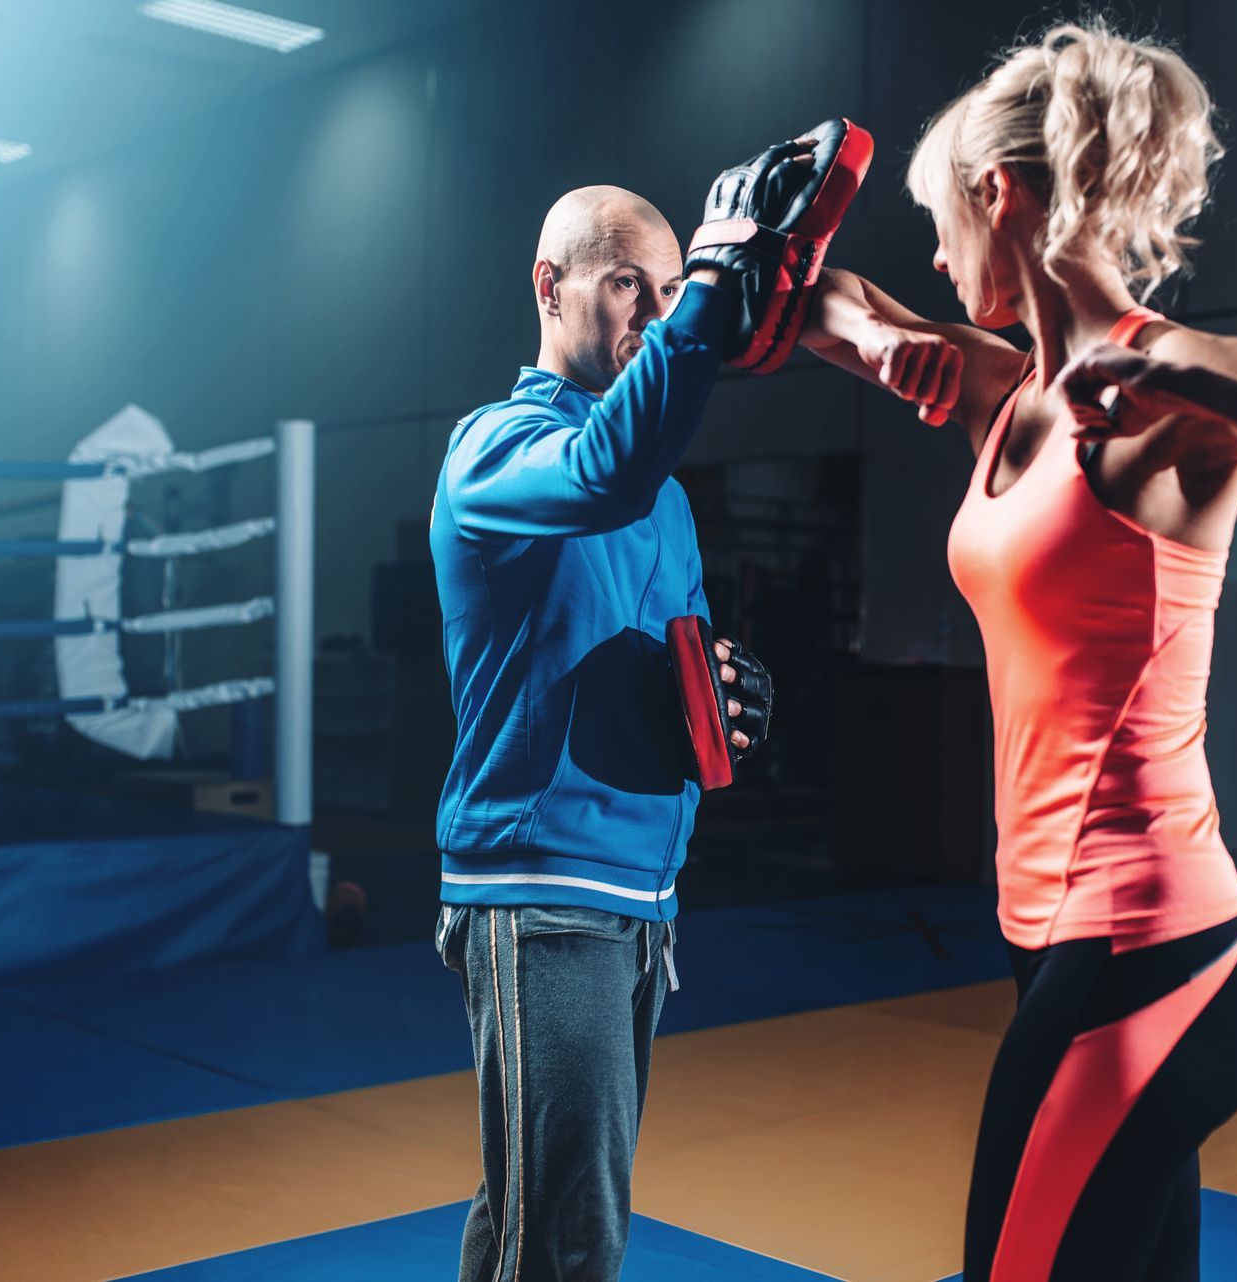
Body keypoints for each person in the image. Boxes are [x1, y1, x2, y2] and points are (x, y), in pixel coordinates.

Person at [799, 22, 1237, 1281]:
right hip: (1054, 950)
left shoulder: (1176, 376)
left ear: (996, 196)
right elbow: (827, 305)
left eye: (941, 222)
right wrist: (859, 328)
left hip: (1146, 956)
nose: (936, 257)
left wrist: (1215, 399)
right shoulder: (1004, 393)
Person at [429, 122, 865, 1281]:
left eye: (670, 288)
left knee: (529, 1216)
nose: (656, 311)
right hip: (540, 891)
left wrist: (722, 698)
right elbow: (601, 470)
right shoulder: (495, 451)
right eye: (629, 283)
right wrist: (718, 289)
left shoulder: (662, 496)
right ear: (551, 283)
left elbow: (660, 653)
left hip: (640, 894)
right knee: (566, 1241)